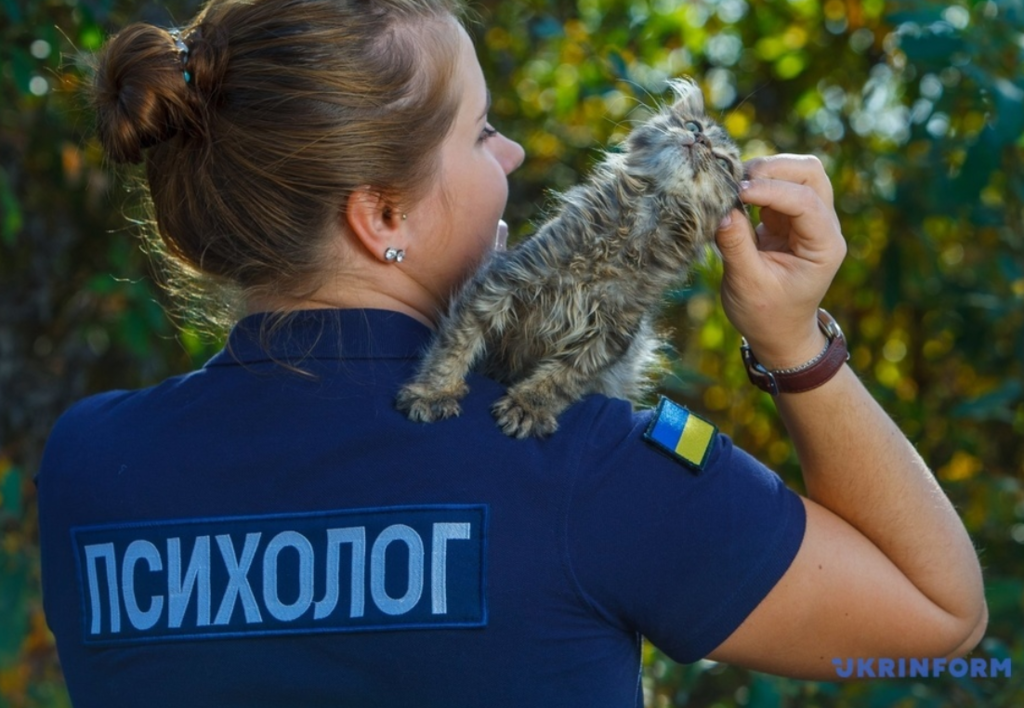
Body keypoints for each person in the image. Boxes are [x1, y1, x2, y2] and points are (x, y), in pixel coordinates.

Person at [37, 0, 987, 705]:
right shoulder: (581, 462)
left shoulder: (90, 469)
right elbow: (937, 621)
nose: (516, 154)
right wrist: (793, 345)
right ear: (383, 216)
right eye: (481, 132)